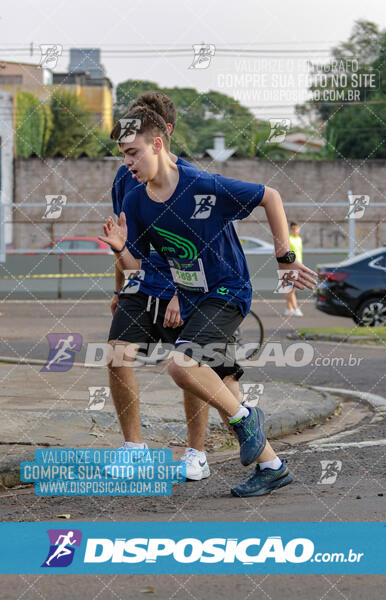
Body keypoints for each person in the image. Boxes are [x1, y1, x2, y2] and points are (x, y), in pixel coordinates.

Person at [99, 106, 318, 497]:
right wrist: (119, 251)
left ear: (158, 143)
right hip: (190, 294)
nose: (126, 163)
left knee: (182, 367)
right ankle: (272, 465)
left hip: (228, 289)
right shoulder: (135, 202)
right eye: (122, 155)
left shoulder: (203, 185)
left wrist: (285, 258)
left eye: (132, 153)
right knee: (210, 377)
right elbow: (137, 269)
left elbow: (271, 196)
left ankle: (242, 420)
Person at [108, 92, 243, 481]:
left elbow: (200, 250)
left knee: (201, 367)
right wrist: (120, 288)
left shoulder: (194, 184)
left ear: (162, 135)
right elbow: (125, 237)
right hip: (144, 277)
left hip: (192, 285)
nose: (128, 157)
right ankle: (133, 448)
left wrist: (178, 296)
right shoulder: (125, 176)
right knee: (117, 353)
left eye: (134, 145)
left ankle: (199, 452)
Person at [285, 222, 304, 317]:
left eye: (297, 228)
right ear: (291, 230)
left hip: (298, 267)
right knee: (291, 289)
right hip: (290, 267)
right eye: (293, 229)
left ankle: (289, 308)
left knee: (290, 289)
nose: (295, 230)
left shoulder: (299, 239)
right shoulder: (289, 239)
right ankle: (296, 309)